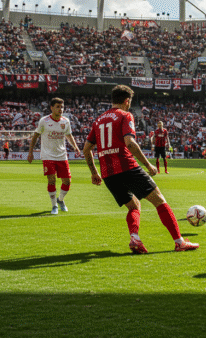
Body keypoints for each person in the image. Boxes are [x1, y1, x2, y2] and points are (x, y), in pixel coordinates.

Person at [82, 85, 199, 254]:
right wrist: (148, 165)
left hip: (108, 173)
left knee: (134, 206)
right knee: (159, 200)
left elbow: (86, 149)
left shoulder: (98, 120)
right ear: (127, 101)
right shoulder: (125, 115)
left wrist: (94, 172)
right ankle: (179, 242)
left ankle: (135, 239)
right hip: (127, 167)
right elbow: (130, 143)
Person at [28, 98, 81, 214]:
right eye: (57, 107)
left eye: (62, 107)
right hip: (48, 155)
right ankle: (54, 206)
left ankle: (60, 200)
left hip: (62, 155)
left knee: (67, 181)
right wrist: (30, 152)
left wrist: (75, 147)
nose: (60, 109)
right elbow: (35, 136)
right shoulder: (44, 121)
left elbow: (69, 135)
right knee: (51, 180)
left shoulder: (66, 121)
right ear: (51, 108)